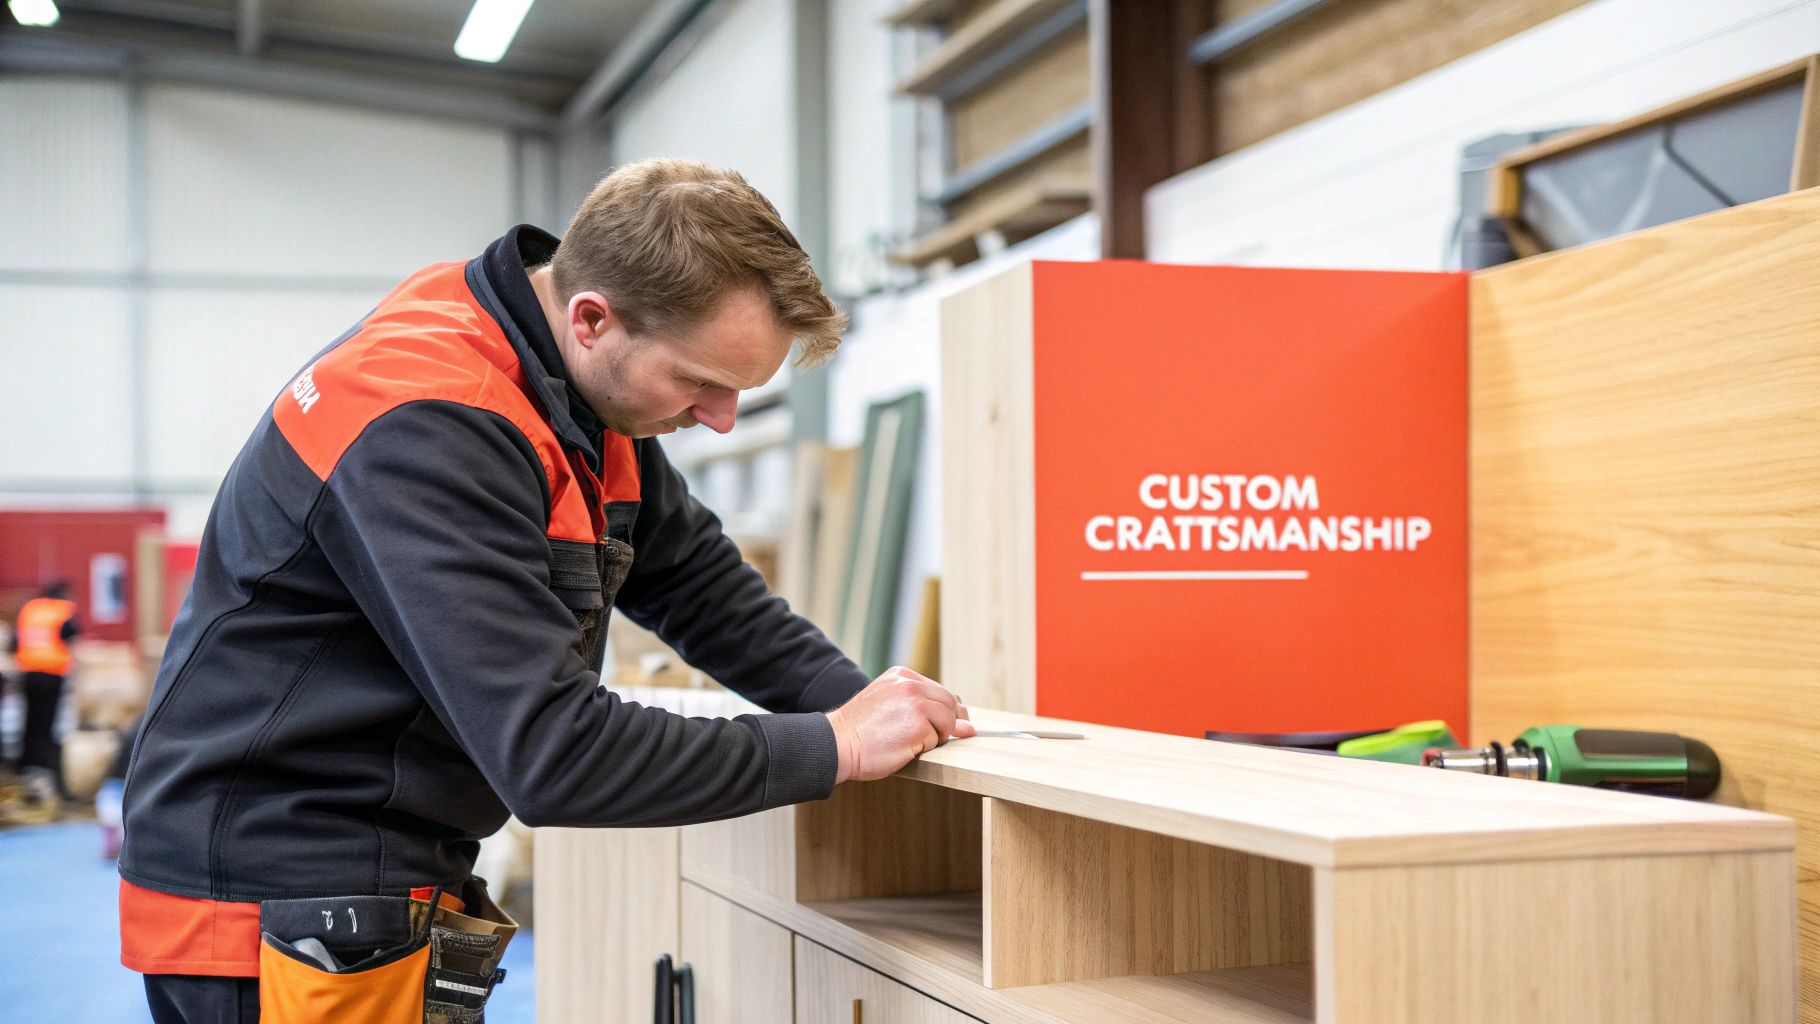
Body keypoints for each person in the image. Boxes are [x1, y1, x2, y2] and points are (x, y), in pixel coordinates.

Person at [118, 159, 973, 1022]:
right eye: (701, 382)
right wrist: (831, 746)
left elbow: (697, 582)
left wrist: (869, 702)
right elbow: (555, 754)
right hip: (280, 893)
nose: (720, 418)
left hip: (376, 858)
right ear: (593, 319)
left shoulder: (563, 379)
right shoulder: (427, 421)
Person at [9, 579, 80, 820]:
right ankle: (46, 766)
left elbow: (15, 641)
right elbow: (71, 637)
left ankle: (25, 764)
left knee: (29, 722)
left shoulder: (30, 609)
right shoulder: (62, 611)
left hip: (28, 673)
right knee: (48, 726)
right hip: (51, 675)